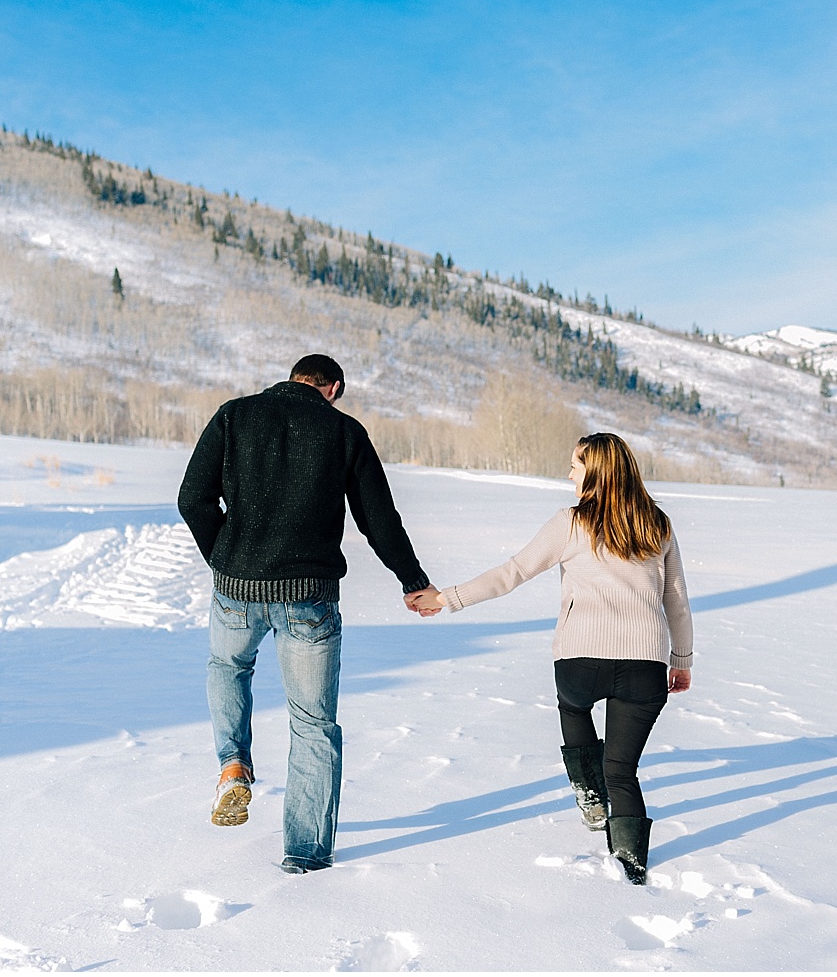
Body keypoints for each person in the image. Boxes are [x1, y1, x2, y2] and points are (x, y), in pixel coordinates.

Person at [178, 354, 440, 874]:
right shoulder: (343, 431)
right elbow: (378, 520)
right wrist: (414, 581)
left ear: (292, 378)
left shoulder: (234, 415)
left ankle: (233, 765)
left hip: (236, 590)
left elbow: (193, 500)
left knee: (228, 669)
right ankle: (305, 853)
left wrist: (227, 560)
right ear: (333, 388)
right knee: (313, 723)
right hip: (309, 597)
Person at [417, 432, 693, 885]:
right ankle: (630, 869)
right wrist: (680, 660)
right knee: (622, 772)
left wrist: (448, 599)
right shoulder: (657, 524)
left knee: (574, 707)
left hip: (580, 661)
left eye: (575, 465)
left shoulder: (571, 522)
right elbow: (676, 600)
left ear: (596, 470)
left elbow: (514, 572)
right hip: (645, 664)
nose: (569, 473)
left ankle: (589, 794)